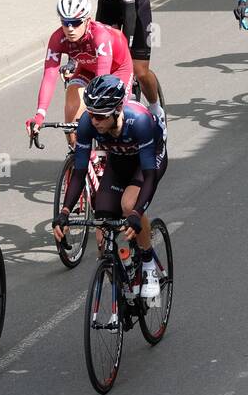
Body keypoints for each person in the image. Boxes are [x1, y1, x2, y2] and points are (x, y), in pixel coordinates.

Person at [54, 75, 168, 298]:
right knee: (101, 234)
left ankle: (147, 265)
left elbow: (149, 176)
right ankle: (122, 290)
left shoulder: (140, 121)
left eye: (99, 115)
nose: (93, 120)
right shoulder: (88, 123)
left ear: (117, 110)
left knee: (128, 204)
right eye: (90, 113)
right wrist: (65, 211)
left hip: (148, 161)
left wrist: (136, 213)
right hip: (119, 161)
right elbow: (78, 172)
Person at [70, 0, 163, 122]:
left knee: (139, 70)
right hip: (108, 9)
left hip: (135, 9)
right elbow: (75, 19)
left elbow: (129, 12)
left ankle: (156, 108)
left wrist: (125, 46)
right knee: (102, 57)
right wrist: (72, 58)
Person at [26, 0, 133, 147]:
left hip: (117, 69)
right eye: (65, 22)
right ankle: (77, 152)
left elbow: (102, 79)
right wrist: (39, 115)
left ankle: (118, 152)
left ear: (87, 21)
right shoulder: (57, 39)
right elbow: (49, 76)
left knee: (110, 118)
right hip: (87, 68)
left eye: (75, 23)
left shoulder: (99, 36)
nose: (70, 28)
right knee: (71, 106)